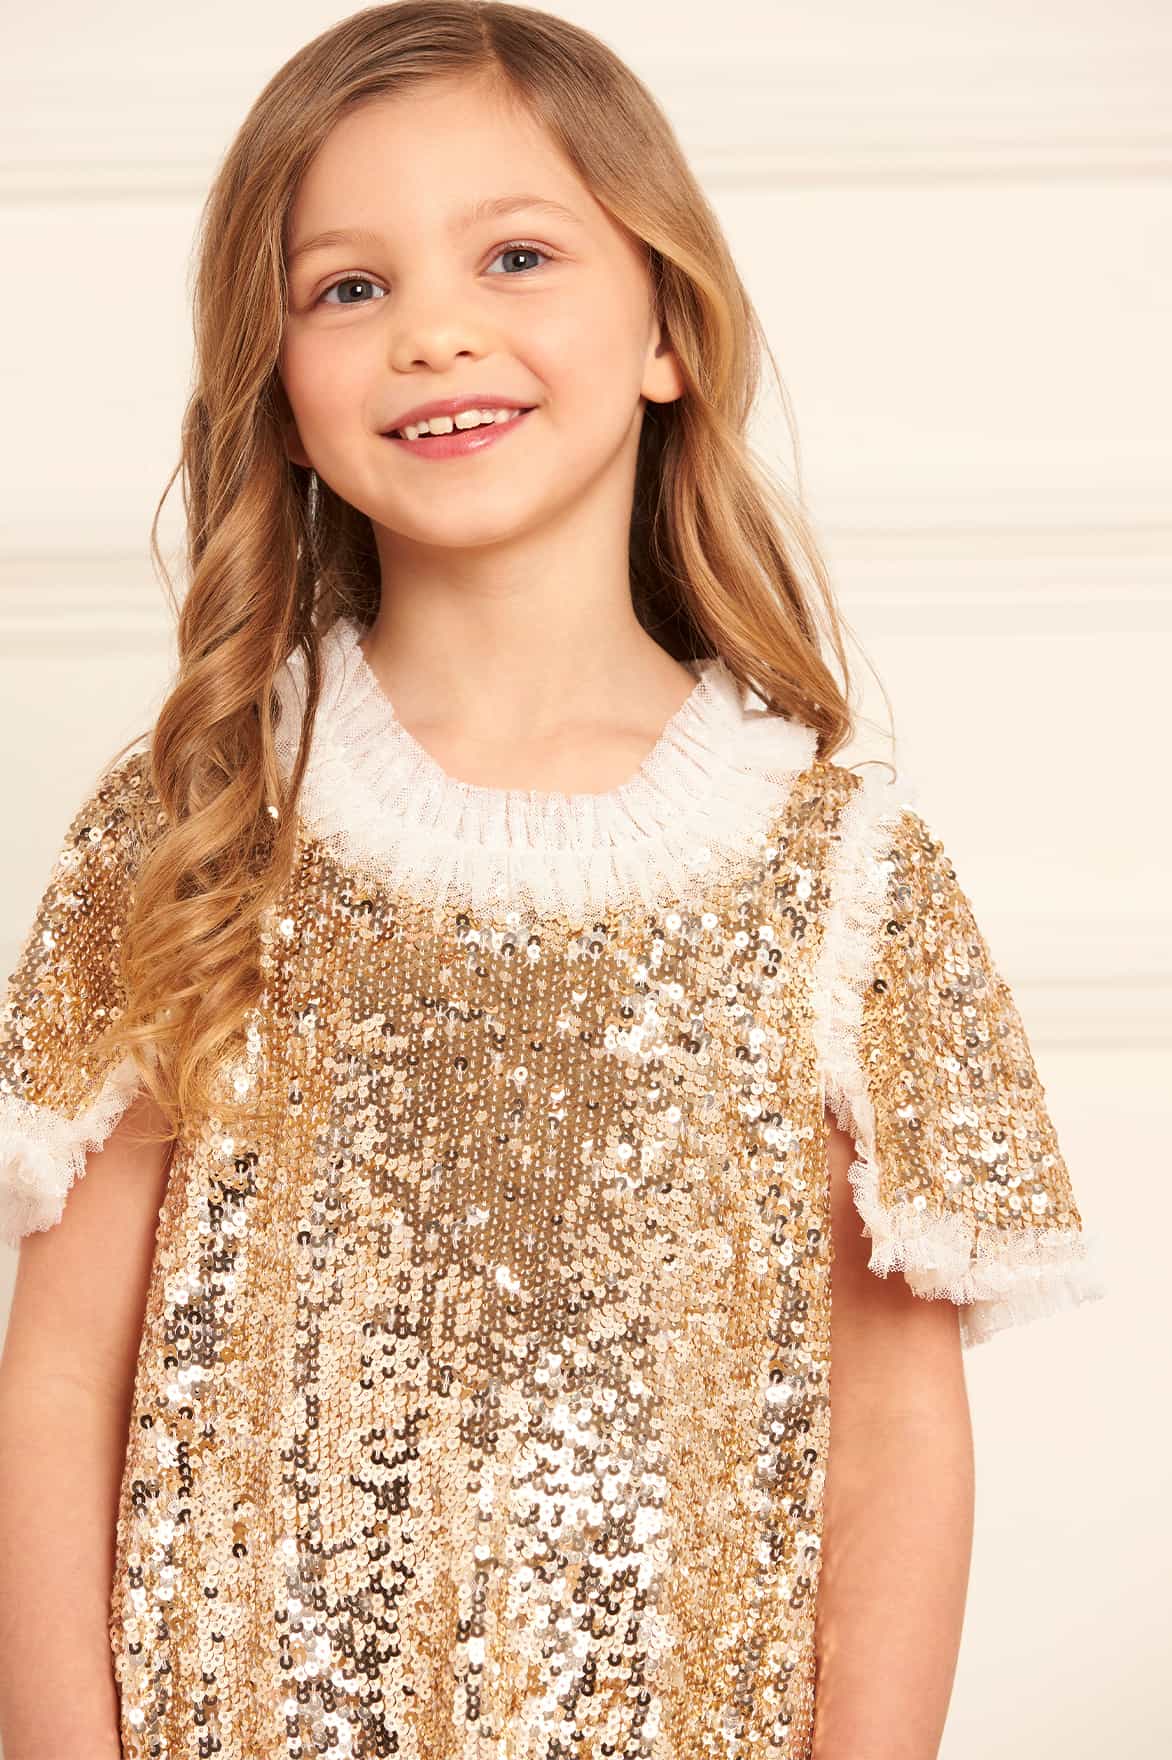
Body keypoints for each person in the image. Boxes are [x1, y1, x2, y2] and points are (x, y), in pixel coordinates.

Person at [0, 4, 1106, 1757]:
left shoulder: (836, 874)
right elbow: (63, 1377)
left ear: (667, 327)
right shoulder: (198, 831)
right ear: (279, 397)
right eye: (347, 287)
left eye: (515, 256)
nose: (434, 329)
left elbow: (896, 1427)